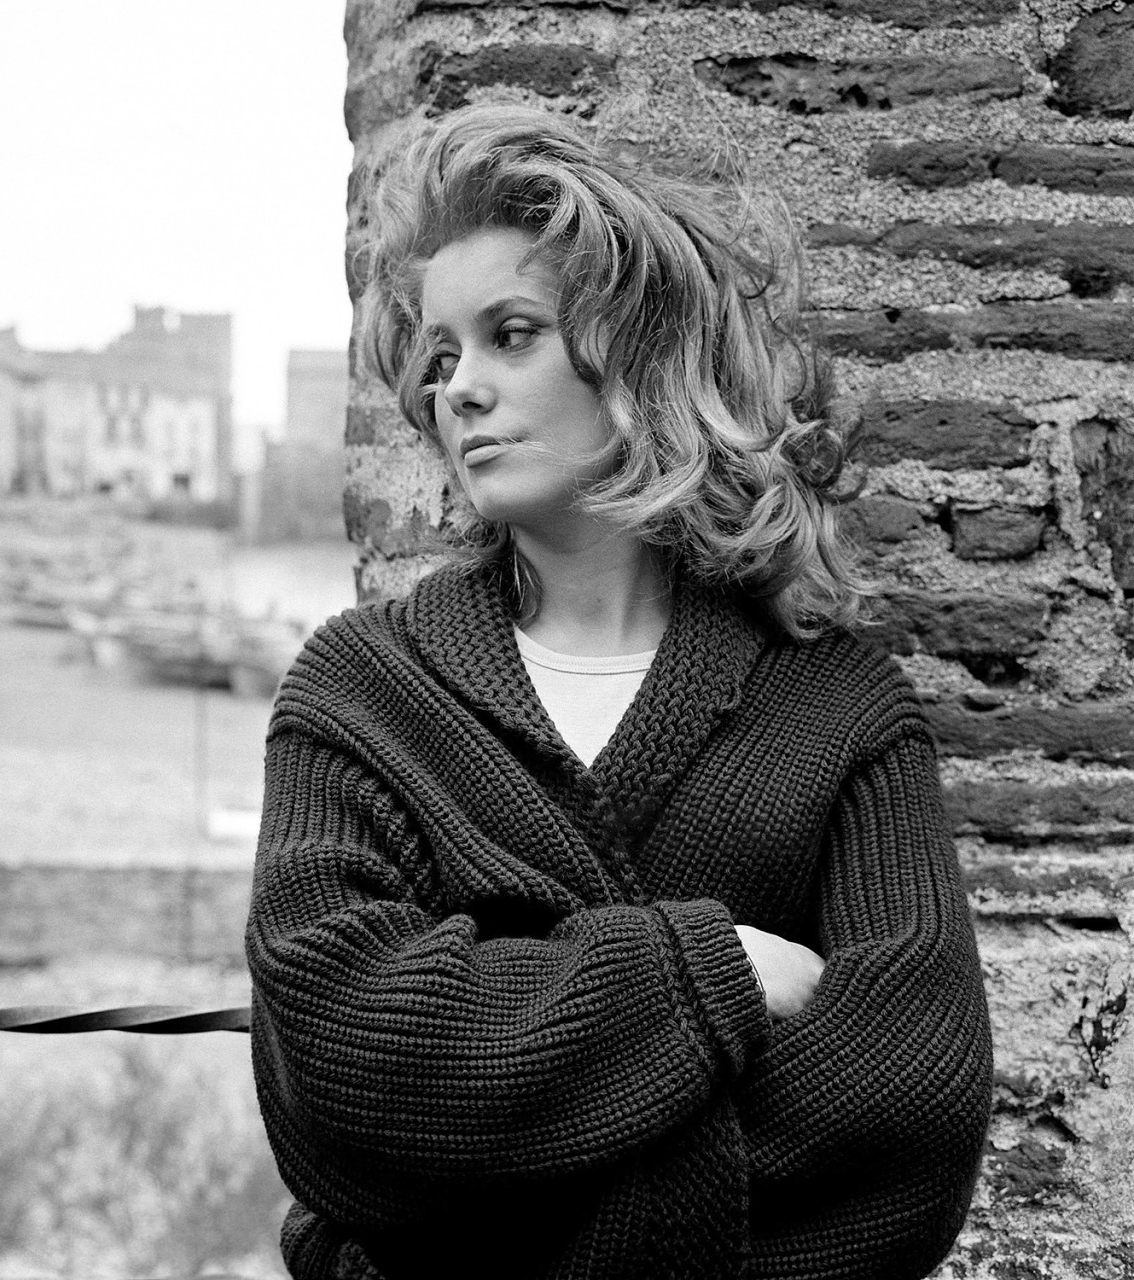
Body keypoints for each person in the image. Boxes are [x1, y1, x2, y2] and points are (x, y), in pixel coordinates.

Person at [246, 103, 992, 1280]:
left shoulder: (838, 705)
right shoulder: (361, 691)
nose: (459, 390)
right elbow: (343, 1061)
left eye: (510, 334)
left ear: (639, 352)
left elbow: (910, 1111)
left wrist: (493, 1168)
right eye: (441, 355)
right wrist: (717, 975)